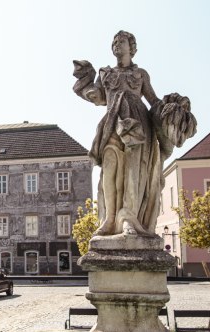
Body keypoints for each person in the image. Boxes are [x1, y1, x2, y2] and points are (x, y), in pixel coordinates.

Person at [73, 30, 196, 237]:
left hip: (139, 126)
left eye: (121, 42)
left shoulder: (141, 75)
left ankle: (128, 219)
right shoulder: (106, 74)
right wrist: (86, 83)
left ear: (132, 48)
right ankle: (109, 219)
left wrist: (172, 109)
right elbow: (97, 97)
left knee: (133, 174)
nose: (116, 46)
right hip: (113, 123)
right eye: (114, 43)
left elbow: (153, 101)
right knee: (109, 169)